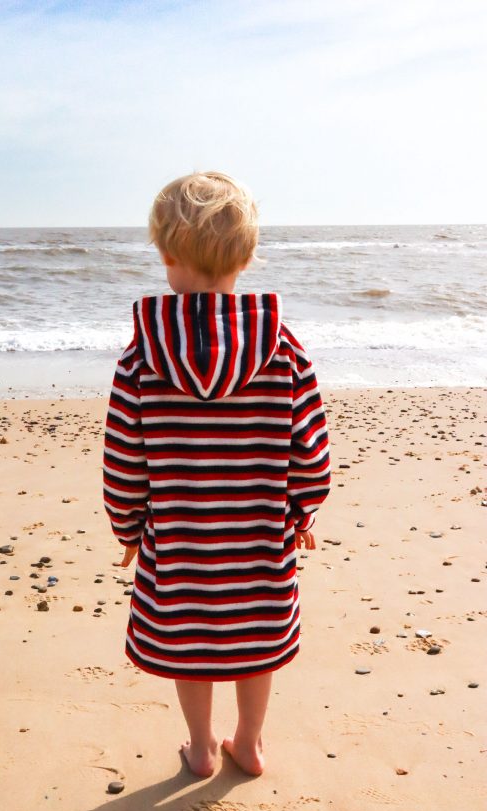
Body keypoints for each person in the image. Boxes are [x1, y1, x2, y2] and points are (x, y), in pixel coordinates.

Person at [102, 171, 331, 778]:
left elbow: (125, 458)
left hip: (179, 542)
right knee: (257, 642)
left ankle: (202, 748)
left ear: (167, 253)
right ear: (248, 257)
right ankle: (249, 743)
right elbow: (310, 445)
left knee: (189, 644)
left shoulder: (141, 357)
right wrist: (303, 510)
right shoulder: (284, 349)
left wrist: (128, 527)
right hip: (259, 537)